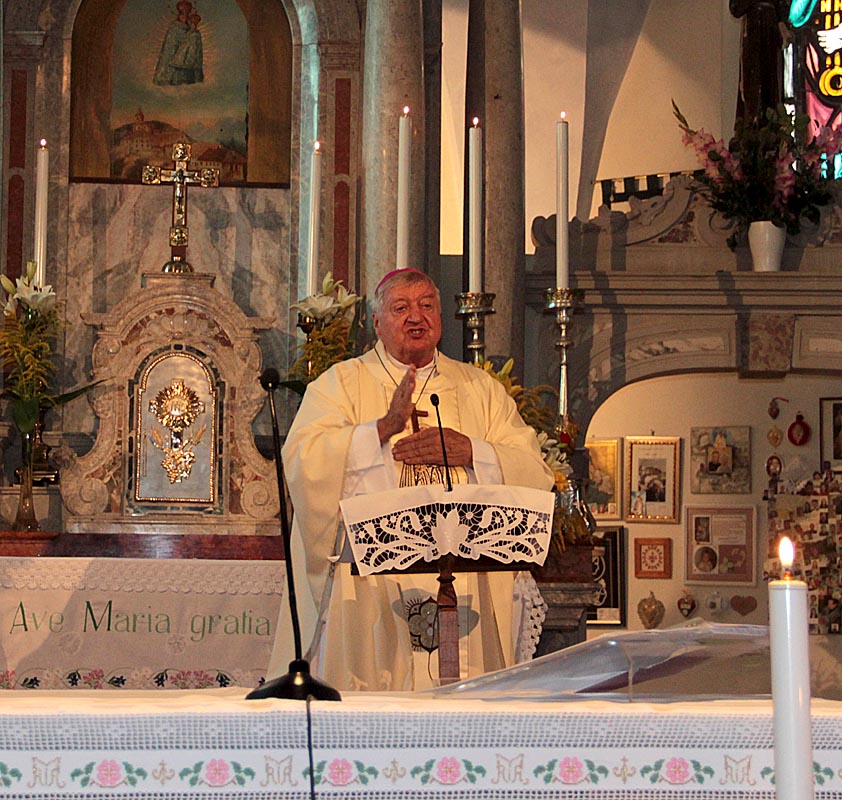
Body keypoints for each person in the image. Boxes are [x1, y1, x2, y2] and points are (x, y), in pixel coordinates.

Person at [271, 268, 554, 691]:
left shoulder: (480, 389)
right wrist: (381, 429)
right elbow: (303, 462)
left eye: (426, 305)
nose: (416, 317)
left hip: (467, 575)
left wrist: (472, 451)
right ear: (377, 322)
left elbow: (534, 471)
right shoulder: (340, 384)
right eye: (400, 308)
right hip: (374, 588)